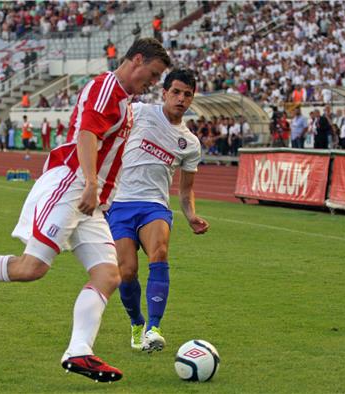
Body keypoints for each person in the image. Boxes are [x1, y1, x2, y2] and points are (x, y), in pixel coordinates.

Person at [0, 37, 170, 383]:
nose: (154, 83)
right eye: (154, 74)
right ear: (137, 59)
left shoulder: (124, 102)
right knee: (31, 267)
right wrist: (90, 182)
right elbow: (86, 135)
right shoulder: (106, 89)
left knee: (108, 275)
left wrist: (96, 190)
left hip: (90, 200)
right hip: (71, 186)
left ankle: (79, 351)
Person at [107, 69, 208, 353]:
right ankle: (137, 322)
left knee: (160, 253)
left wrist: (191, 216)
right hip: (121, 204)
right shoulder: (139, 112)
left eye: (187, 94)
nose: (181, 98)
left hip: (154, 206)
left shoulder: (189, 143)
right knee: (126, 272)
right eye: (176, 92)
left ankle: (154, 327)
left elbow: (186, 191)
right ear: (164, 93)